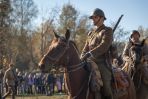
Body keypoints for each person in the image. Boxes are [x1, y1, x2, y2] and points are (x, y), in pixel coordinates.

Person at [81, 8, 113, 99]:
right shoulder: (90, 33)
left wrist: (90, 53)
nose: (93, 19)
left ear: (102, 18)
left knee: (106, 85)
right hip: (88, 61)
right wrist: (81, 57)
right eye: (92, 18)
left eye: (95, 17)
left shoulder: (107, 30)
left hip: (101, 62)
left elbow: (104, 45)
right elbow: (85, 48)